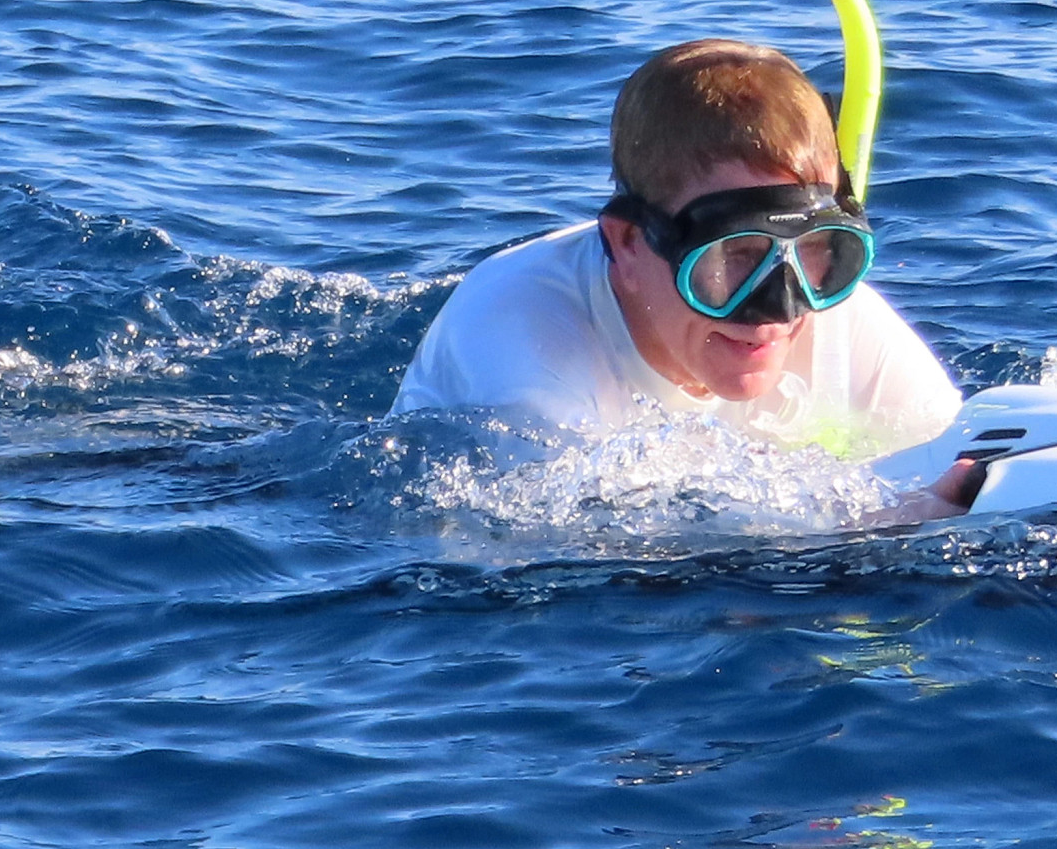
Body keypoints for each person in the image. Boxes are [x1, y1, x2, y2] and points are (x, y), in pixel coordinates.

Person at [391, 39, 981, 514]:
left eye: (815, 252)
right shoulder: (519, 331)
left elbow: (958, 451)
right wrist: (869, 533)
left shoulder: (837, 317)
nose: (780, 306)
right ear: (628, 244)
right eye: (734, 256)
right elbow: (584, 554)